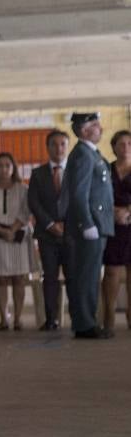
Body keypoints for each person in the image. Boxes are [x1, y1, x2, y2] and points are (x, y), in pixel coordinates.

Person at [57, 112, 115, 339]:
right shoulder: (82, 155)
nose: (100, 128)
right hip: (89, 227)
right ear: (83, 131)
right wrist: (86, 223)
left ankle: (87, 322)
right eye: (95, 125)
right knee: (85, 276)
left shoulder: (92, 153)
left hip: (98, 225)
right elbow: (79, 194)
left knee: (90, 276)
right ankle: (84, 324)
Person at [0, 152, 32, 330]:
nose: (4, 169)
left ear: (13, 168)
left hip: (18, 237)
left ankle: (17, 318)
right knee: (0, 279)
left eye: (7, 165)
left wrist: (13, 229)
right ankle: (3, 318)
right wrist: (1, 230)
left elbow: (26, 211)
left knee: (18, 278)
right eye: (0, 166)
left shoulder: (23, 189)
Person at [28, 130, 71, 330]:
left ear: (67, 147)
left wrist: (66, 225)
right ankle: (51, 319)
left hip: (71, 233)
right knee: (50, 276)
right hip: (47, 234)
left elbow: (80, 200)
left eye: (63, 144)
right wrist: (50, 224)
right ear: (48, 147)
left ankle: (77, 318)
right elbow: (34, 202)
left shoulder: (75, 171)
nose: (59, 148)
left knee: (73, 276)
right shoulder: (38, 174)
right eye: (54, 144)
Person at [101, 130, 131, 333]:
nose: (126, 147)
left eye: (130, 143)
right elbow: (97, 196)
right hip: (111, 225)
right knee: (111, 271)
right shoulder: (105, 169)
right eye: (121, 144)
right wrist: (112, 212)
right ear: (113, 147)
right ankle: (108, 316)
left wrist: (128, 212)